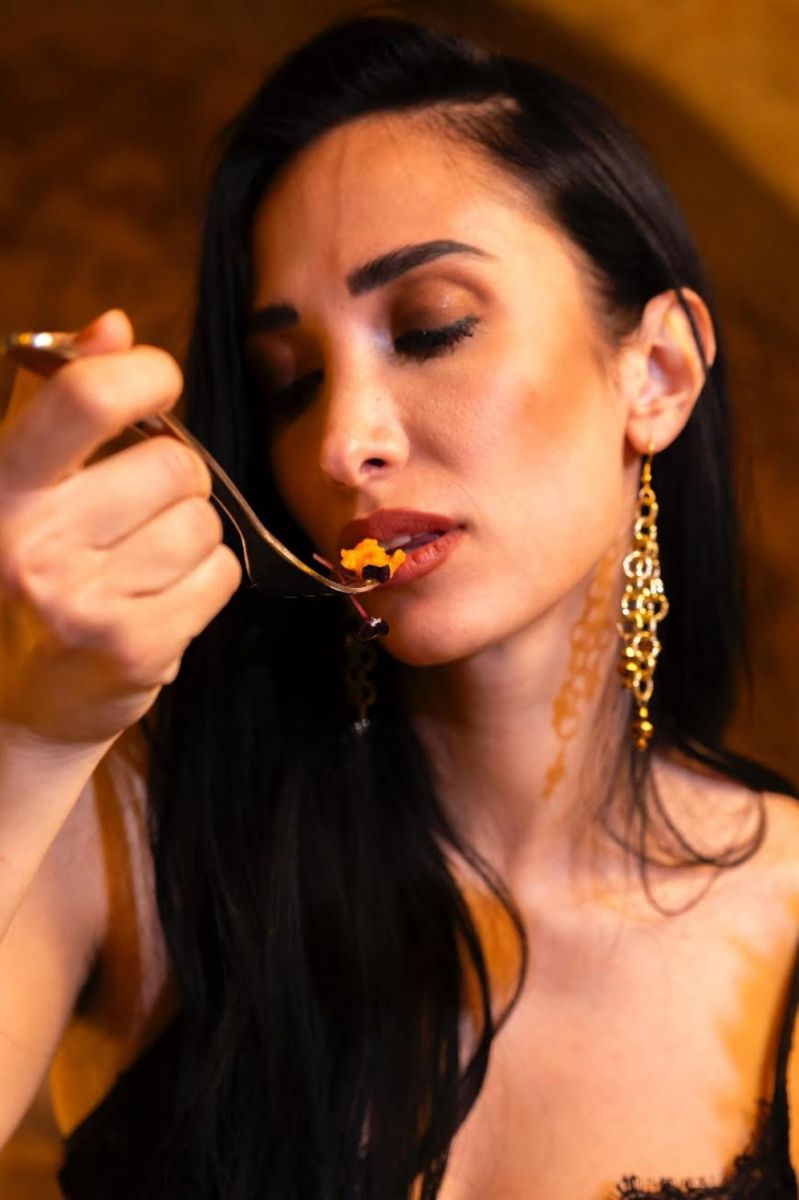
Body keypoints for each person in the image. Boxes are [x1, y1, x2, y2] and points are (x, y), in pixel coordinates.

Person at [1, 12, 798, 1199]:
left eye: (429, 330)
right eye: (290, 383)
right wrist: (33, 736)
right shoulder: (142, 842)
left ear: (657, 373)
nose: (341, 443)